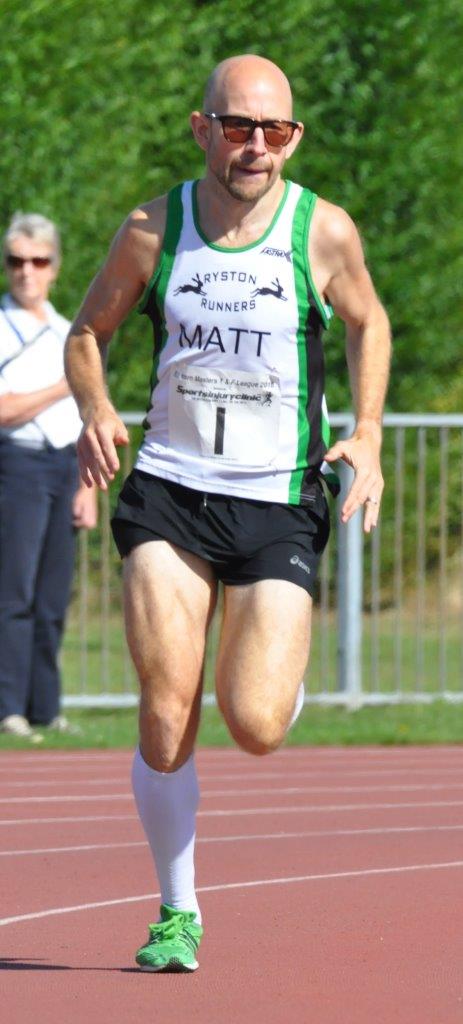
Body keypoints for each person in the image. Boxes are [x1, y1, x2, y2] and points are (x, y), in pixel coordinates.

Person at [65, 54, 391, 972]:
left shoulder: (321, 230)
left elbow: (367, 321)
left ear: (294, 137)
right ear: (202, 128)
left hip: (278, 499)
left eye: (274, 130)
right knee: (167, 710)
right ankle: (177, 911)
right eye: (239, 126)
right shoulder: (152, 228)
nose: (256, 146)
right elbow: (87, 332)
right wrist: (95, 405)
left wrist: (367, 432)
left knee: (255, 724)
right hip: (169, 491)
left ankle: (276, 675)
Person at [0, 213, 97, 744]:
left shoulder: (67, 330)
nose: (27, 271)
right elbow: (4, 410)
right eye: (16, 261)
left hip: (64, 466)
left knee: (53, 597)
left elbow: (89, 413)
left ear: (54, 267)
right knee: (13, 593)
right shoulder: (2, 324)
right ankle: (9, 708)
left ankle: (46, 707)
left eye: (38, 261)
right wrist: (62, 386)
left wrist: (88, 486)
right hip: (17, 464)